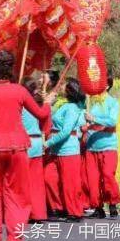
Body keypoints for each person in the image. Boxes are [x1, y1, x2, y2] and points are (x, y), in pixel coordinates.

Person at [0, 50, 51, 241]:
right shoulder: (20, 91)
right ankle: (14, 240)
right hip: (17, 147)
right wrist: (48, 103)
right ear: (12, 67)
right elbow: (41, 114)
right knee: (17, 196)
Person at [44, 78, 86, 222]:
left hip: (68, 150)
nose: (60, 87)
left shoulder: (73, 108)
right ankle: (60, 207)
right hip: (56, 151)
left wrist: (47, 143)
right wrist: (48, 104)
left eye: (63, 85)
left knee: (70, 184)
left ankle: (75, 212)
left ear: (69, 90)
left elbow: (66, 131)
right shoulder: (63, 106)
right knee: (48, 178)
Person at [84, 74, 120, 219]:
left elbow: (112, 121)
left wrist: (93, 119)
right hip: (92, 146)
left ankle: (113, 202)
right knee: (92, 179)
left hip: (108, 146)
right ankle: (98, 208)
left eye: (101, 83)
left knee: (107, 175)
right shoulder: (90, 101)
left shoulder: (113, 102)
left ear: (107, 86)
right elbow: (84, 118)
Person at [20, 78, 49, 222]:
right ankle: (38, 213)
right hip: (37, 142)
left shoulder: (22, 105)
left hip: (26, 144)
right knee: (37, 182)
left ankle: (27, 212)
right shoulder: (38, 104)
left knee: (25, 181)